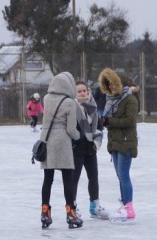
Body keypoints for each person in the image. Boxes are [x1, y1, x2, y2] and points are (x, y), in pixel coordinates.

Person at [40, 72, 83, 229]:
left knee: (48, 179)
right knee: (68, 180)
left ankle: (45, 212)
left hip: (47, 140)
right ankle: (71, 214)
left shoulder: (45, 98)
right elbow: (71, 129)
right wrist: (79, 137)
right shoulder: (70, 102)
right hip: (63, 142)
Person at [98, 68, 138, 223]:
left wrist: (110, 121)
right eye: (106, 84)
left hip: (126, 142)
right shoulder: (111, 100)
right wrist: (104, 122)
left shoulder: (130, 100)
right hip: (114, 141)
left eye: (111, 84)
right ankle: (125, 204)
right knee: (120, 176)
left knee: (124, 176)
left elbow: (130, 121)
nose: (108, 88)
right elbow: (111, 120)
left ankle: (129, 208)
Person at [71, 80, 109, 219]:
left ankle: (94, 206)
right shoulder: (72, 106)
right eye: (79, 91)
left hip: (91, 148)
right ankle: (72, 206)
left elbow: (99, 126)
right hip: (77, 148)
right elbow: (71, 128)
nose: (82, 93)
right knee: (74, 179)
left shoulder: (93, 105)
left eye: (84, 90)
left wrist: (96, 141)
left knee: (93, 177)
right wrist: (81, 139)